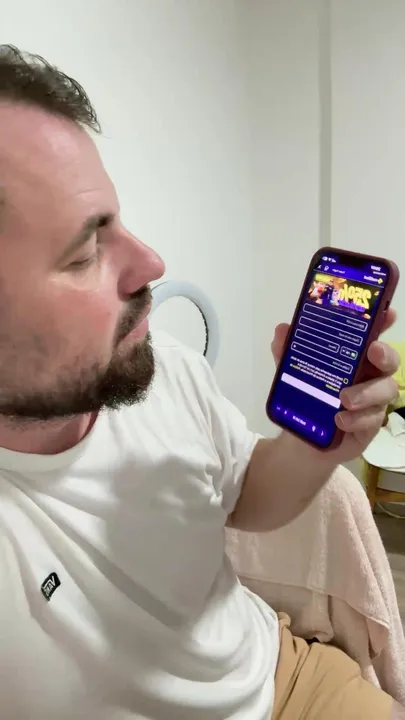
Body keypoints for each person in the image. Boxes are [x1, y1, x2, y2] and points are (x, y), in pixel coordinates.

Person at [0, 45, 403, 720]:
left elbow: (245, 499)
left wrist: (315, 448)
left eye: (118, 223)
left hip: (284, 676)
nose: (151, 263)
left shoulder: (163, 367)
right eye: (86, 251)